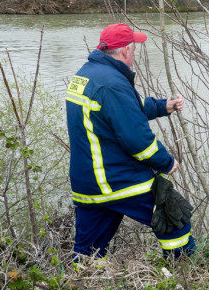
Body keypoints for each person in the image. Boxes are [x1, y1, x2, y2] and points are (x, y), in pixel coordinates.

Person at [66, 22, 195, 262]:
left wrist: (161, 106)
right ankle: (185, 271)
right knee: (173, 217)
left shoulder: (86, 74)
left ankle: (76, 282)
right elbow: (136, 139)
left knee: (87, 254)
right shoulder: (112, 83)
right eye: (134, 49)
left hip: (88, 184)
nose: (134, 54)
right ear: (125, 51)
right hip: (115, 179)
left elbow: (118, 113)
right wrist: (166, 162)